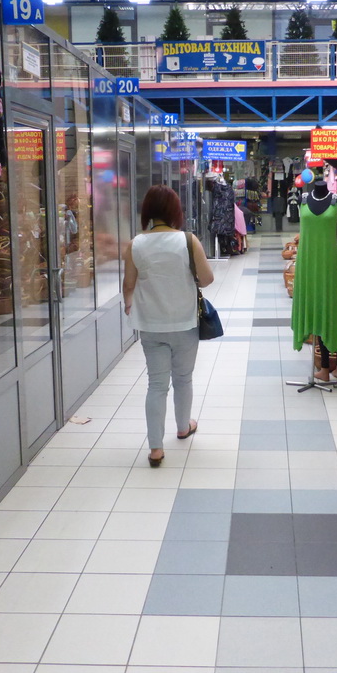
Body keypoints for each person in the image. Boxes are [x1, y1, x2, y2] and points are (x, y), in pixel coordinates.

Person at [123, 185, 214, 467]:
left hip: (151, 325)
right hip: (185, 321)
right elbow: (207, 278)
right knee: (183, 379)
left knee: (156, 384)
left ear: (147, 211)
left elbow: (128, 286)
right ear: (175, 211)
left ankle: (155, 449)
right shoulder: (188, 241)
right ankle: (183, 426)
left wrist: (130, 304)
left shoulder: (135, 244)